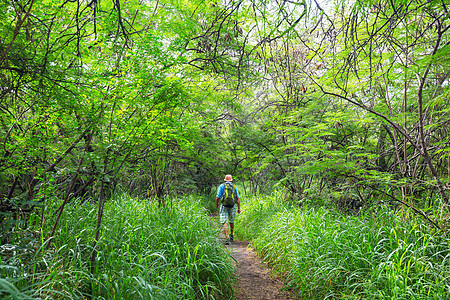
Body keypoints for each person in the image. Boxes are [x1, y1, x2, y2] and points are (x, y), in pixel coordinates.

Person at [216, 174, 241, 243]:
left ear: (225, 180)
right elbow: (238, 198)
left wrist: (217, 203)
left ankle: (227, 237)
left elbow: (218, 197)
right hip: (232, 206)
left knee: (224, 221)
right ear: (231, 180)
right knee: (231, 221)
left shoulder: (222, 186)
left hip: (224, 205)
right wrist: (239, 208)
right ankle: (232, 235)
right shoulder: (234, 186)